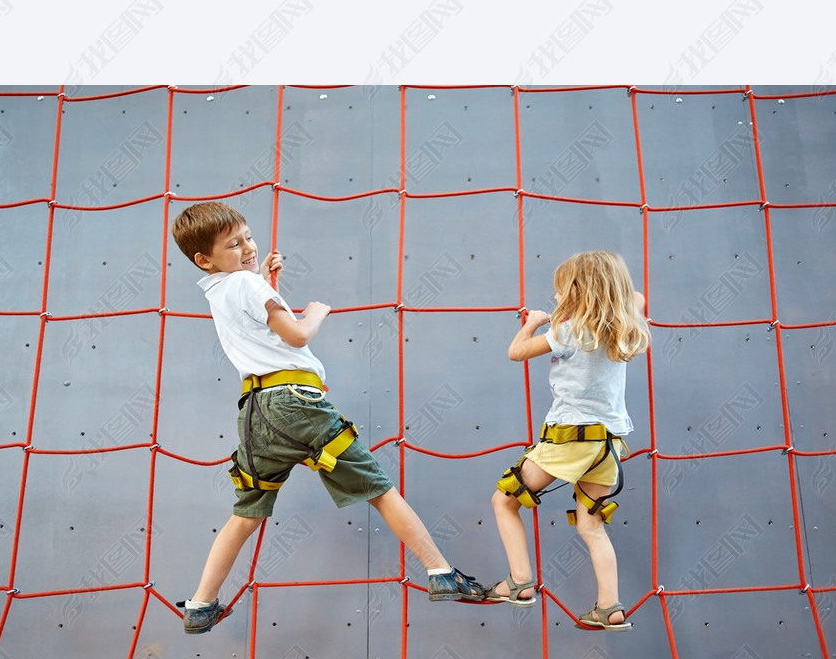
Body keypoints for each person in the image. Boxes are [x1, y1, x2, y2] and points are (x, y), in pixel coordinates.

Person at [170, 202, 486, 632]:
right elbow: (296, 334)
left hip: (257, 415)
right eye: (234, 243)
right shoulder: (246, 283)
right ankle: (440, 572)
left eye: (247, 236)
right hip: (294, 404)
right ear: (204, 259)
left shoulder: (220, 288)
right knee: (378, 487)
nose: (247, 247)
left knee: (246, 513)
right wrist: (314, 312)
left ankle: (201, 604)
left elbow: (255, 325)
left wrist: (264, 280)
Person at [487, 250, 649, 628]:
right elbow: (637, 298)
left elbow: (516, 352)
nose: (556, 298)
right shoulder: (623, 324)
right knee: (591, 524)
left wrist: (533, 323)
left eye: (561, 291)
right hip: (607, 446)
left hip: (568, 439)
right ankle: (610, 607)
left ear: (579, 293)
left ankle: (520, 581)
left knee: (505, 500)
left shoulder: (569, 330)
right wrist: (611, 293)